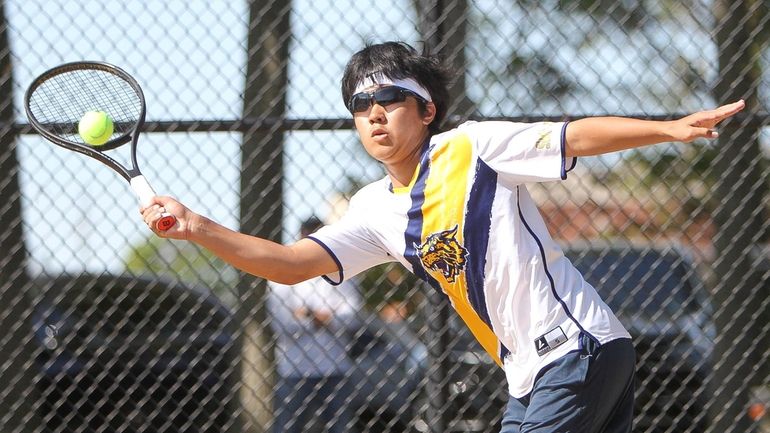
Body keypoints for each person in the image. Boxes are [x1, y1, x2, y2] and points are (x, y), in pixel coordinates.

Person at [141, 41, 745, 433]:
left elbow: (574, 136)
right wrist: (198, 227)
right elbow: (291, 264)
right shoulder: (374, 209)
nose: (374, 112)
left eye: (390, 98)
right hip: (529, 374)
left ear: (427, 110)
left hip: (577, 348)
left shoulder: (471, 147)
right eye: (360, 104)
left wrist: (669, 128)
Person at [267, 216, 361, 433]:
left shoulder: (343, 270)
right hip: (294, 369)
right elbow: (282, 324)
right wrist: (325, 318)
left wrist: (308, 315)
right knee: (287, 428)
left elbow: (352, 317)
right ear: (301, 238)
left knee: (341, 428)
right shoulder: (281, 274)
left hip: (334, 367)